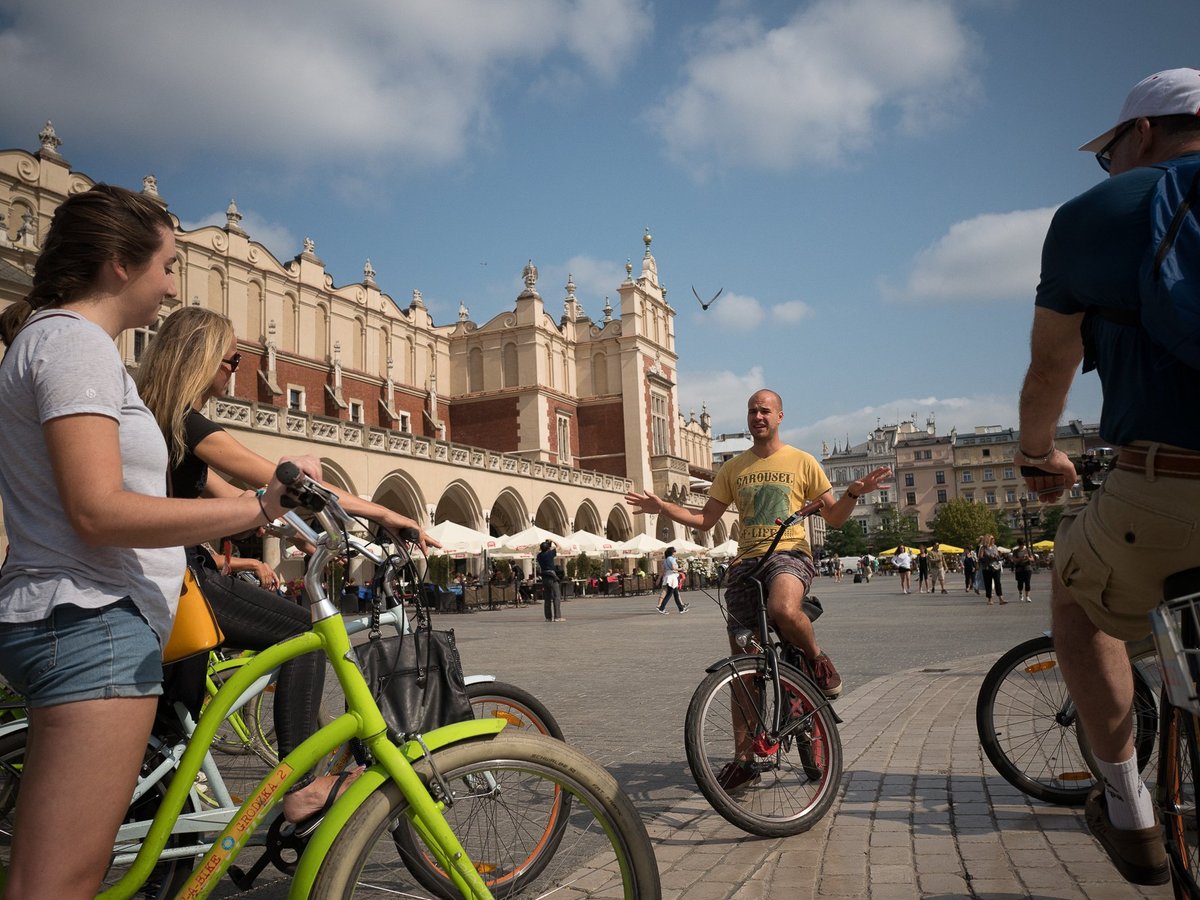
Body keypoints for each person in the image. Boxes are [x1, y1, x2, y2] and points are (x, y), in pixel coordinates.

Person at [0, 185, 321, 900]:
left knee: (44, 877)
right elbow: (100, 512)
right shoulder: (73, 345)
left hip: (81, 620)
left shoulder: (59, 342)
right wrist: (252, 510)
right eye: (168, 265)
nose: (173, 286)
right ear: (120, 262)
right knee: (61, 883)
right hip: (92, 623)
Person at [1016, 69, 1200, 886]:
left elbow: (1051, 367)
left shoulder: (1097, 216)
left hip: (1165, 483)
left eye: (1110, 152)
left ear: (1147, 133)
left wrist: (1035, 454)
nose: (1109, 167)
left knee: (1075, 596)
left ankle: (1129, 813)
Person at [134, 304, 388, 829]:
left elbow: (239, 501)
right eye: (231, 359)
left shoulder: (163, 426)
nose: (236, 369)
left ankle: (160, 846)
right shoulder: (186, 421)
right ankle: (300, 791)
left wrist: (296, 530)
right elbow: (277, 476)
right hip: (183, 582)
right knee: (302, 634)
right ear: (199, 358)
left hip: (171, 582)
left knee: (169, 725)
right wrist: (383, 512)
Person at [626, 389, 890, 789]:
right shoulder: (733, 468)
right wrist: (663, 507)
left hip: (789, 554)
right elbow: (704, 518)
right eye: (752, 411)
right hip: (747, 561)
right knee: (741, 666)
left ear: (780, 416)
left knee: (784, 610)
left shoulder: (802, 461)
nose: (758, 416)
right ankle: (744, 758)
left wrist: (853, 493)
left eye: (765, 410)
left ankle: (817, 659)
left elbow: (833, 518)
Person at [655, 546, 690, 614]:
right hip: (672, 577)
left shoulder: (665, 560)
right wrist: (681, 569)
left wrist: (659, 579)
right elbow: (674, 568)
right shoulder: (672, 559)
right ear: (672, 552)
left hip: (668, 576)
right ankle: (662, 608)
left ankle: (681, 609)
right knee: (669, 594)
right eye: (674, 551)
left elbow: (663, 570)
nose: (675, 553)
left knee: (675, 593)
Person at [537, 538, 563, 621]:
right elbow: (559, 546)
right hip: (552, 577)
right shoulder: (550, 553)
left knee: (547, 598)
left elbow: (540, 549)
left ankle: (548, 617)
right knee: (556, 596)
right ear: (548, 548)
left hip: (544, 577)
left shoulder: (539, 556)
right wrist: (553, 540)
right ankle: (557, 617)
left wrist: (546, 544)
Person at [978, 534, 1005, 605]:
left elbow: (998, 557)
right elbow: (980, 558)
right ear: (988, 539)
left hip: (996, 567)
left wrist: (996, 557)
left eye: (993, 538)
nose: (993, 540)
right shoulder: (983, 548)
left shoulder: (995, 547)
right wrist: (989, 557)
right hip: (987, 568)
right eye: (992, 538)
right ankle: (989, 599)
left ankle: (1001, 599)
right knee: (988, 584)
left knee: (998, 583)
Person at [1011, 538, 1035, 603]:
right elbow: (1013, 560)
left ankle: (1027, 596)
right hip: (1019, 569)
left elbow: (1032, 559)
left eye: (1023, 544)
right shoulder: (1015, 551)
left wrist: (1028, 558)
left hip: (1027, 568)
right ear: (1018, 544)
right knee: (1020, 583)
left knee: (1027, 582)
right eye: (1020, 544)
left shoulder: (1028, 550)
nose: (1022, 546)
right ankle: (1021, 594)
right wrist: (1020, 559)